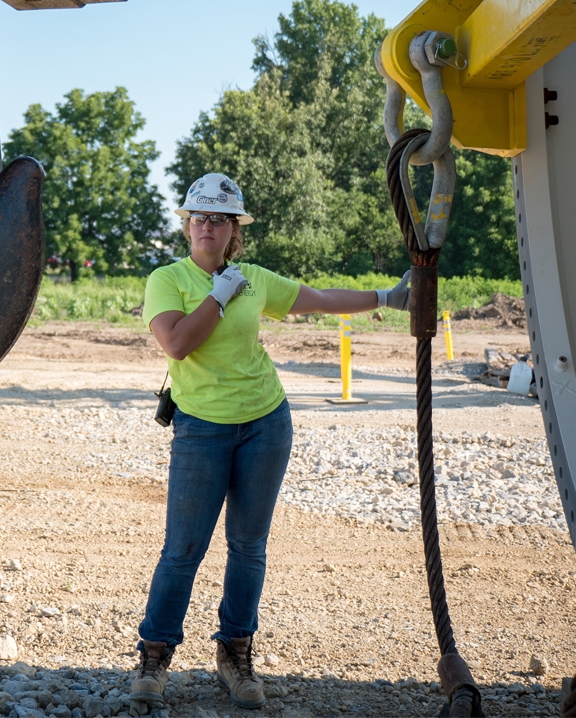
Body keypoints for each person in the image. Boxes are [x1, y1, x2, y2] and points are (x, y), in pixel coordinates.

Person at [129, 173, 410, 710]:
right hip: (201, 430)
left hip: (265, 423)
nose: (207, 226)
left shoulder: (253, 278)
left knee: (249, 546)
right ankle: (155, 654)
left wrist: (387, 297)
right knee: (182, 549)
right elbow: (178, 343)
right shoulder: (167, 280)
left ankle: (235, 652)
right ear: (188, 224)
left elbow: (318, 299)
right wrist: (217, 296)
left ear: (234, 230)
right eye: (199, 217)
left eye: (219, 218)